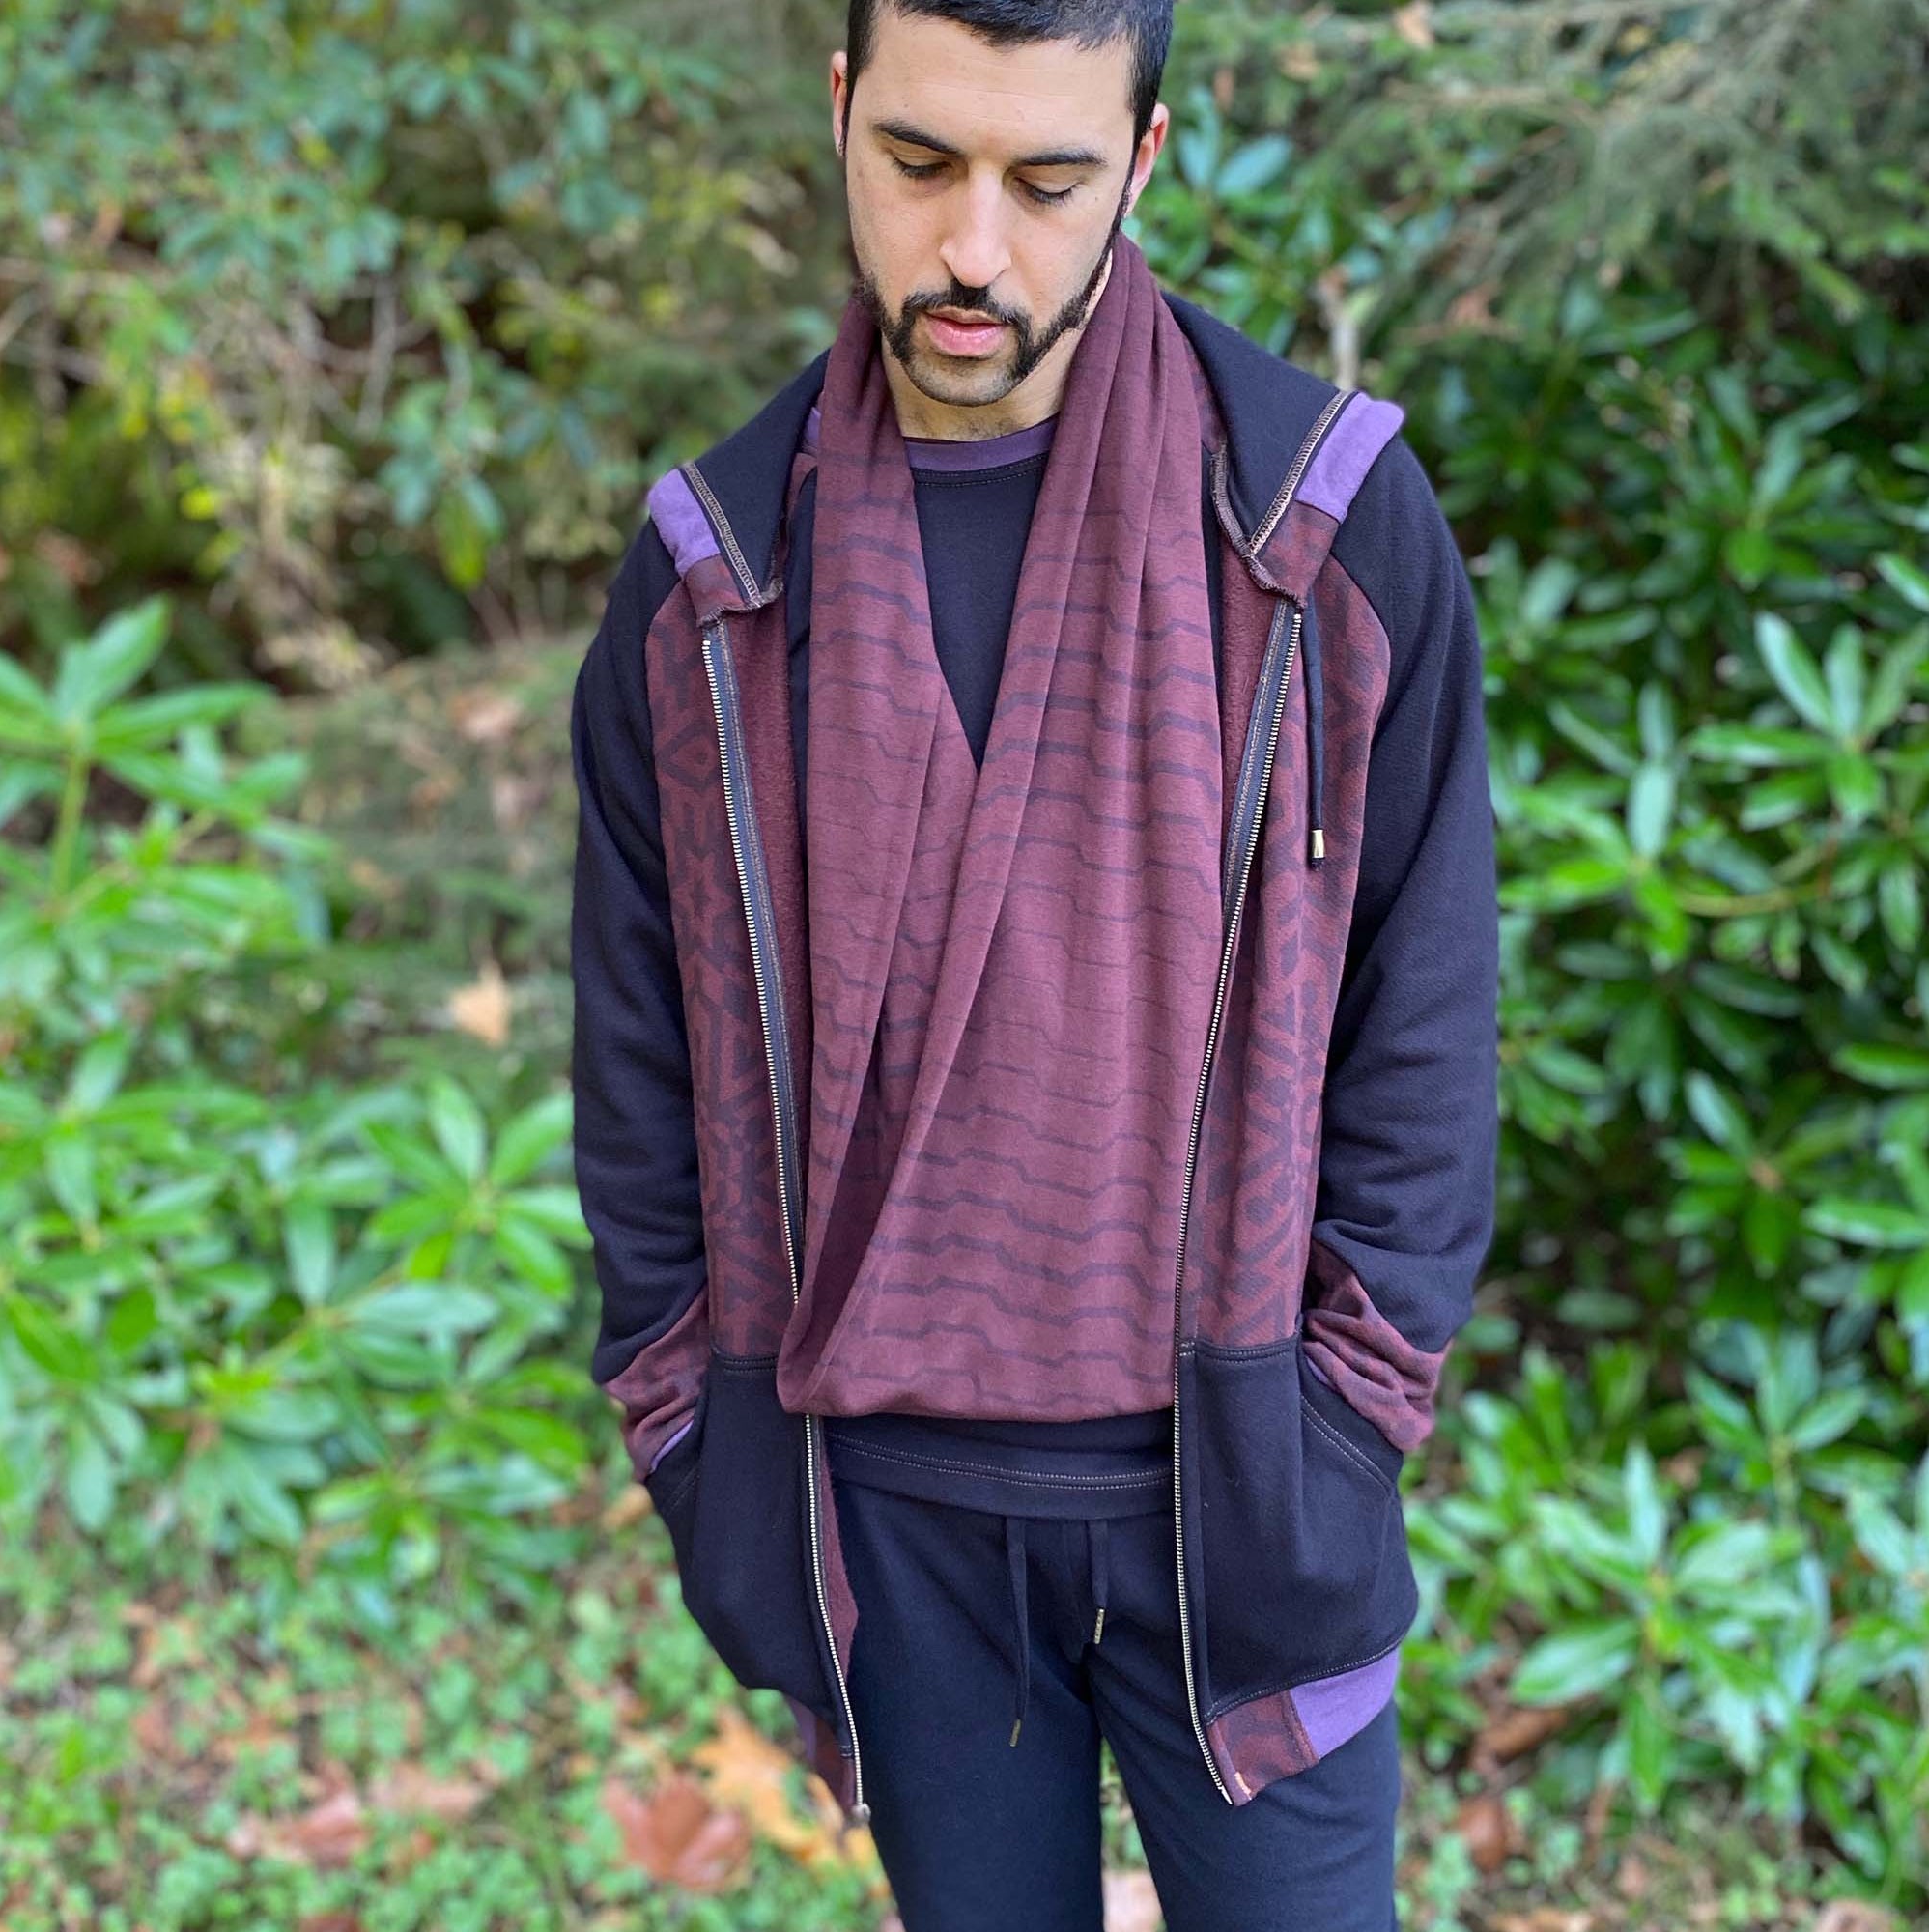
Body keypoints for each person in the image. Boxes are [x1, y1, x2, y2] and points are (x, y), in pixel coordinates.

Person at [568, 2, 1499, 1925]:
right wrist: (692, 1434)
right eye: (919, 164)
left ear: (1146, 161)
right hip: (881, 1525)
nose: (971, 247)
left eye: (1046, 179)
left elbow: (1426, 1012)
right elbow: (639, 1074)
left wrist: (1342, 1414)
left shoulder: (1318, 528)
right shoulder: (712, 582)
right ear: (838, 113)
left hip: (1240, 1501)